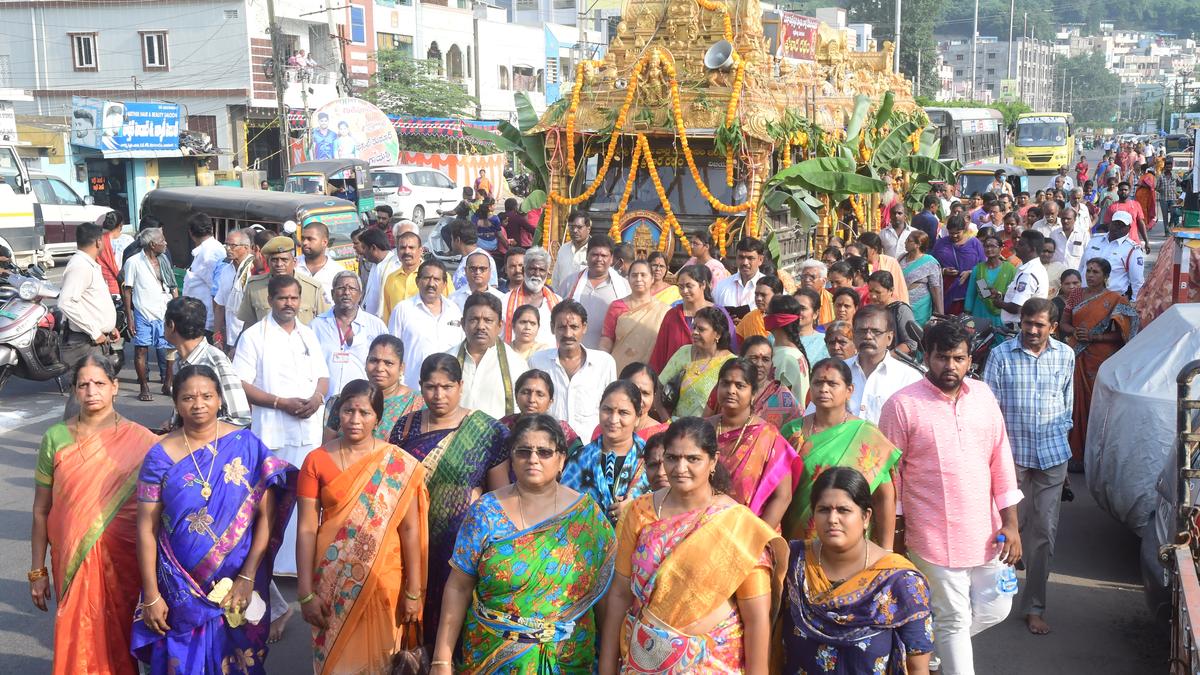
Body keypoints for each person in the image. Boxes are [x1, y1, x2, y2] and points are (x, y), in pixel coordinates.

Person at [878, 321, 1024, 675]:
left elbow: (1000, 459)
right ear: (927, 357)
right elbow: (888, 476)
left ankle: (934, 647)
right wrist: (894, 534)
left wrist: (1012, 523)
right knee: (954, 618)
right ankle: (946, 643)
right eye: (942, 358)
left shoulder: (984, 397)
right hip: (932, 535)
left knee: (997, 607)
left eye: (958, 358)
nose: (951, 366)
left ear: (969, 358)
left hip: (988, 531)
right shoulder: (902, 405)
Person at [131, 365, 296, 674]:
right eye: (188, 397)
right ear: (176, 403)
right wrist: (151, 594)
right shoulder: (159, 456)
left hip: (235, 582)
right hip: (178, 585)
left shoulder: (246, 446)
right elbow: (145, 528)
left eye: (207, 396)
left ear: (220, 399)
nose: (198, 404)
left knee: (235, 660)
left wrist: (248, 577)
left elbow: (266, 515)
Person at [598, 417, 786, 674]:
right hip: (642, 659)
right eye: (672, 458)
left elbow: (756, 619)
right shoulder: (640, 511)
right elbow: (620, 593)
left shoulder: (737, 524)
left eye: (692, 459)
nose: (680, 468)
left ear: (713, 461)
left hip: (712, 662)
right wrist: (607, 666)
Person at [432, 414, 616, 671]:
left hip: (565, 660)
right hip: (491, 655)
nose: (533, 459)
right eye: (523, 451)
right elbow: (459, 587)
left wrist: (608, 665)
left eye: (544, 452)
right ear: (512, 458)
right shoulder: (486, 511)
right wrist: (441, 659)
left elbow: (606, 598)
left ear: (561, 459)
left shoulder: (587, 516)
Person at [29, 355, 159, 675]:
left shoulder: (142, 440)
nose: (92, 391)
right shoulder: (55, 438)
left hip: (125, 560)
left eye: (100, 383)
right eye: (83, 385)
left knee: (118, 632)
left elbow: (165, 505)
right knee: (77, 629)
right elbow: (41, 508)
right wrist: (37, 571)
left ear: (115, 387)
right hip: (70, 557)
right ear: (74, 391)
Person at [296, 379, 429, 673]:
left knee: (382, 660)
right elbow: (306, 528)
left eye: (365, 413)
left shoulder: (397, 464)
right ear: (338, 413)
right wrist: (305, 592)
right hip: (330, 579)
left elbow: (410, 530)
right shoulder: (315, 461)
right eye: (348, 411)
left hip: (384, 579)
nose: (355, 420)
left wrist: (413, 592)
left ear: (377, 418)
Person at [387, 353, 510, 645]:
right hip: (408, 540)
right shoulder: (406, 427)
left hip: (461, 546)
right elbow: (391, 486)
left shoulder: (487, 431)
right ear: (420, 387)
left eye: (447, 387)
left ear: (461, 385)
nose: (438, 395)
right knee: (408, 617)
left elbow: (500, 497)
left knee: (454, 618)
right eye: (430, 387)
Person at [778, 467, 933, 675]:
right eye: (824, 509)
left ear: (866, 516)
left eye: (843, 510)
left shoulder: (900, 581)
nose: (832, 519)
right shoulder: (794, 561)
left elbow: (918, 668)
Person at [983, 298, 1074, 636]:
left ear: (1053, 326)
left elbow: (1068, 405)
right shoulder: (1001, 355)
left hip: (1052, 458)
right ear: (1019, 322)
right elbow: (988, 410)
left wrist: (1061, 431)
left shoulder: (1066, 355)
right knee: (1005, 531)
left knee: (1043, 536)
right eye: (1027, 323)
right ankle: (992, 602)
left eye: (1040, 325)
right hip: (1011, 459)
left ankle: (1035, 607)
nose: (1032, 331)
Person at [233, 275, 330, 575]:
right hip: (273, 433)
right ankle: (271, 567)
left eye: (293, 298)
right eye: (282, 298)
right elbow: (241, 383)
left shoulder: (307, 334)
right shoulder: (254, 336)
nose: (289, 303)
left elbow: (323, 376)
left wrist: (316, 398)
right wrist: (279, 403)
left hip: (308, 432)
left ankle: (302, 565)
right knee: (272, 501)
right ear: (271, 300)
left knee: (308, 499)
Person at [780, 358, 901, 544]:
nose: (824, 389)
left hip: (851, 542)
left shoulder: (867, 435)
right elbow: (776, 492)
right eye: (818, 383)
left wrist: (886, 550)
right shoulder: (792, 433)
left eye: (832, 384)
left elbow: (883, 497)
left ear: (849, 391)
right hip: (798, 541)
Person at [1060, 258, 1138, 472]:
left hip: (1100, 360)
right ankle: (1075, 456)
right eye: (1088, 270)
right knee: (1074, 404)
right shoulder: (1076, 294)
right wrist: (1074, 332)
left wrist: (1095, 337)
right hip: (1076, 356)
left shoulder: (1115, 299)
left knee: (1099, 407)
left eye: (1095, 271)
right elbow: (1063, 323)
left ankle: (1098, 460)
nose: (1090, 274)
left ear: (1105, 276)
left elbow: (1124, 334)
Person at [707, 358, 798, 527]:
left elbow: (783, 496)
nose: (731, 390)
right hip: (704, 527)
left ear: (753, 394)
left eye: (740, 386)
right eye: (725, 384)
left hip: (750, 531)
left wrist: (756, 538)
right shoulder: (703, 429)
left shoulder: (768, 436)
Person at [562, 380, 653, 524]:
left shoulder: (651, 459)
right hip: (585, 542)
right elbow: (563, 507)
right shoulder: (580, 460)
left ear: (637, 418)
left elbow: (666, 503)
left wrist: (634, 508)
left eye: (623, 412)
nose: (613, 419)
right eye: (607, 410)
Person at [529, 300, 618, 439]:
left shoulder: (604, 363)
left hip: (591, 450)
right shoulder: (538, 361)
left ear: (584, 327)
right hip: (549, 447)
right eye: (562, 327)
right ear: (552, 328)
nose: (568, 333)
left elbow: (614, 407)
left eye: (574, 327)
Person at [166, 297, 253, 428]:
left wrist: (203, 434)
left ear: (171, 325)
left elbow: (240, 418)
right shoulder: (179, 362)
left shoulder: (215, 361)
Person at [445, 292, 529, 419]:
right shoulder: (447, 360)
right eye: (474, 320)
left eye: (488, 320)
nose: (481, 327)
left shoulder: (516, 364)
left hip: (499, 437)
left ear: (500, 326)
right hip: (452, 436)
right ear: (463, 323)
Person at [388, 260, 465, 390]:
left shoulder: (454, 310)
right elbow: (392, 352)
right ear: (417, 281)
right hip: (412, 389)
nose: (431, 284)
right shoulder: (403, 309)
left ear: (445, 284)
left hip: (447, 391)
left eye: (436, 279)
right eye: (426, 278)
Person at [311, 271, 387, 401]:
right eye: (341, 288)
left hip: (364, 402)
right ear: (332, 294)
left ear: (360, 295)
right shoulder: (316, 326)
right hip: (324, 403)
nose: (346, 292)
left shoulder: (376, 326)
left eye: (352, 288)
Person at [122, 227, 178, 401]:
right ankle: (144, 386)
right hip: (143, 312)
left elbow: (173, 286)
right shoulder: (133, 262)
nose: (166, 243)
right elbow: (127, 291)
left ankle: (167, 383)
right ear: (153, 244)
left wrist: (176, 308)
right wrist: (129, 317)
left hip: (164, 310)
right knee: (141, 351)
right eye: (162, 241)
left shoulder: (164, 260)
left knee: (170, 349)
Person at [57, 223, 119, 368]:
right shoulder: (80, 266)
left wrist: (108, 328)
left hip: (94, 340)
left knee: (98, 386)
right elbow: (65, 302)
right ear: (98, 242)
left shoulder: (89, 264)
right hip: (85, 343)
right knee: (88, 387)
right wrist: (95, 332)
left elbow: (92, 301)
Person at [649, 264, 732, 371]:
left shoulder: (718, 313)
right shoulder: (672, 315)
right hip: (675, 379)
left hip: (710, 379)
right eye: (681, 286)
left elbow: (730, 347)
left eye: (689, 286)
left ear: (702, 285)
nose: (684, 291)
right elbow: (660, 353)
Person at [660, 306, 735, 418]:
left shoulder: (731, 363)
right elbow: (658, 386)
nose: (694, 332)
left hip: (708, 430)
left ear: (717, 334)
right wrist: (666, 422)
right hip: (676, 428)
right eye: (694, 327)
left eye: (701, 329)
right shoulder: (684, 352)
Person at [238, 236, 329, 328]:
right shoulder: (254, 286)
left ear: (294, 262)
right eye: (274, 260)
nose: (279, 264)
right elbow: (249, 324)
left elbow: (324, 324)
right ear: (268, 262)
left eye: (284, 260)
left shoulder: (313, 288)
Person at [600, 259, 671, 371]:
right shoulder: (616, 306)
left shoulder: (665, 311)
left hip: (649, 373)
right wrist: (602, 365)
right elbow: (607, 339)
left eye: (643, 275)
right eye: (634, 275)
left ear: (652, 279)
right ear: (628, 278)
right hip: (618, 370)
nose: (638, 279)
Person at [563, 235, 631, 349]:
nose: (599, 259)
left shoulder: (624, 286)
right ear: (587, 256)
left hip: (608, 354)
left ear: (611, 258)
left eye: (604, 255)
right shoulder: (570, 282)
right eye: (595, 255)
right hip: (572, 353)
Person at [498, 369, 581, 448]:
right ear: (516, 396)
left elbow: (580, 460)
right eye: (526, 392)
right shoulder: (503, 426)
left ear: (550, 402)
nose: (532, 400)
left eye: (540, 395)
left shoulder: (562, 431)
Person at [740, 335, 803, 429]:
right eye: (753, 358)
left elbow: (797, 432)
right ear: (741, 359)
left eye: (765, 359)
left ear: (771, 364)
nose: (759, 364)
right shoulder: (729, 388)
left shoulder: (783, 398)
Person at [502, 245, 560, 347]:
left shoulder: (558, 302)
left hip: (547, 360)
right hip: (515, 359)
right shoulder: (505, 301)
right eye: (532, 269)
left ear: (548, 273)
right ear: (524, 270)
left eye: (541, 270)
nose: (537, 274)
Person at [1083, 210, 1145, 301]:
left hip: (1112, 301)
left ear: (1129, 228)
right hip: (1085, 296)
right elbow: (1082, 267)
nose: (1118, 227)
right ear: (1110, 224)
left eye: (1122, 225)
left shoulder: (1132, 250)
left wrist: (1135, 302)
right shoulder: (1094, 240)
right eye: (1115, 223)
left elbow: (1137, 282)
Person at [932, 215, 986, 315]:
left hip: (971, 288)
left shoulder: (975, 243)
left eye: (957, 233)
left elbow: (984, 267)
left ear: (964, 229)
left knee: (970, 322)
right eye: (951, 233)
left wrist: (971, 272)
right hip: (947, 290)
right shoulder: (941, 244)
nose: (954, 236)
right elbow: (932, 266)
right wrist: (944, 271)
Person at [182, 213, 226, 335]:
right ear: (211, 229)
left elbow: (217, 291)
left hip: (207, 321)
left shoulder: (208, 253)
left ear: (190, 233)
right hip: (200, 318)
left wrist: (218, 326)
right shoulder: (207, 249)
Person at [212, 228, 256, 351]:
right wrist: (217, 335)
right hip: (230, 335)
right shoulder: (226, 270)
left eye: (233, 245)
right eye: (226, 244)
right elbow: (220, 305)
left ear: (246, 248)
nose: (228, 248)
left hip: (248, 338)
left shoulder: (252, 270)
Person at [766, 294, 812, 404]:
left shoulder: (788, 357)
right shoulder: (784, 352)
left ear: (777, 319)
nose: (765, 318)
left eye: (767, 314)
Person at [964, 235, 1017, 329]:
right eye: (986, 246)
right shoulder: (978, 269)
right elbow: (971, 293)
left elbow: (1013, 294)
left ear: (1001, 248)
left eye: (993, 246)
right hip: (980, 311)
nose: (989, 249)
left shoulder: (1010, 269)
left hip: (1001, 312)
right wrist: (967, 312)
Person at [998, 229, 1049, 327]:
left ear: (1032, 249)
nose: (1016, 247)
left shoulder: (1028, 273)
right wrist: (1000, 295)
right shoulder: (1029, 267)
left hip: (1018, 327)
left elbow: (1017, 307)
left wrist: (998, 303)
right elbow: (1019, 296)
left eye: (1021, 244)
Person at [368, 227, 416, 318]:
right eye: (402, 247)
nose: (407, 251)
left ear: (420, 249)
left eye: (411, 247)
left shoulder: (432, 275)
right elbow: (376, 306)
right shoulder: (387, 273)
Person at [294, 222, 346, 307]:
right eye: (303, 238)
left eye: (310, 239)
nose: (304, 243)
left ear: (324, 242)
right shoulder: (292, 266)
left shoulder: (337, 272)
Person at [899, 230, 944, 325]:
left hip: (920, 307)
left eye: (908, 240)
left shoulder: (929, 262)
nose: (905, 242)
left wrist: (940, 314)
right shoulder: (901, 258)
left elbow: (935, 289)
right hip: (902, 304)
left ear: (918, 244)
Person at [868, 270, 918, 354]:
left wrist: (887, 358)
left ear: (891, 290)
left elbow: (911, 344)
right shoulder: (871, 310)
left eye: (877, 292)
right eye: (870, 291)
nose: (873, 296)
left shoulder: (900, 310)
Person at [618, 361, 671, 438]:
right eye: (633, 390)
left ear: (653, 396)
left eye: (645, 393)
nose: (639, 398)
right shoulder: (606, 427)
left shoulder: (661, 435)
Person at [713, 236, 766, 310]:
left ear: (760, 260)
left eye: (750, 258)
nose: (745, 263)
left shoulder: (771, 289)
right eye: (741, 257)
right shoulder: (722, 287)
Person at [857, 231, 910, 304]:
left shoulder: (890, 262)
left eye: (863, 249)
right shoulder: (858, 263)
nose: (860, 251)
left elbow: (900, 289)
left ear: (874, 249)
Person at [447, 219, 499, 290]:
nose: (451, 243)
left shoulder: (483, 258)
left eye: (451, 239)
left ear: (457, 240)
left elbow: (492, 289)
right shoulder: (466, 258)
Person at [551, 210, 591, 291]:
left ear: (588, 229)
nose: (575, 231)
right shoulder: (563, 249)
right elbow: (556, 278)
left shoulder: (595, 251)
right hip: (562, 299)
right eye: (571, 227)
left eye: (579, 227)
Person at [1101, 181, 1149, 248]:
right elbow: (1107, 225)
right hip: (1117, 244)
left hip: (1134, 243)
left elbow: (1141, 223)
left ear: (1129, 192)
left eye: (1125, 190)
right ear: (1117, 192)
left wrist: (1146, 241)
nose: (1123, 191)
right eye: (1121, 190)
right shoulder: (1112, 207)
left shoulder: (1136, 204)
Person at [736, 275, 783, 341]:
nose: (758, 298)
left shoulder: (786, 319)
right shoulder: (750, 317)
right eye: (756, 294)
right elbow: (737, 343)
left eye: (763, 295)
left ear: (778, 295)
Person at [1051, 206, 1090, 271]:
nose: (1065, 221)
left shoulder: (1084, 234)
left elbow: (1087, 255)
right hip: (1057, 273)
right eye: (1063, 218)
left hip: (1076, 273)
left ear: (1075, 219)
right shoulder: (1054, 234)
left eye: (1068, 219)